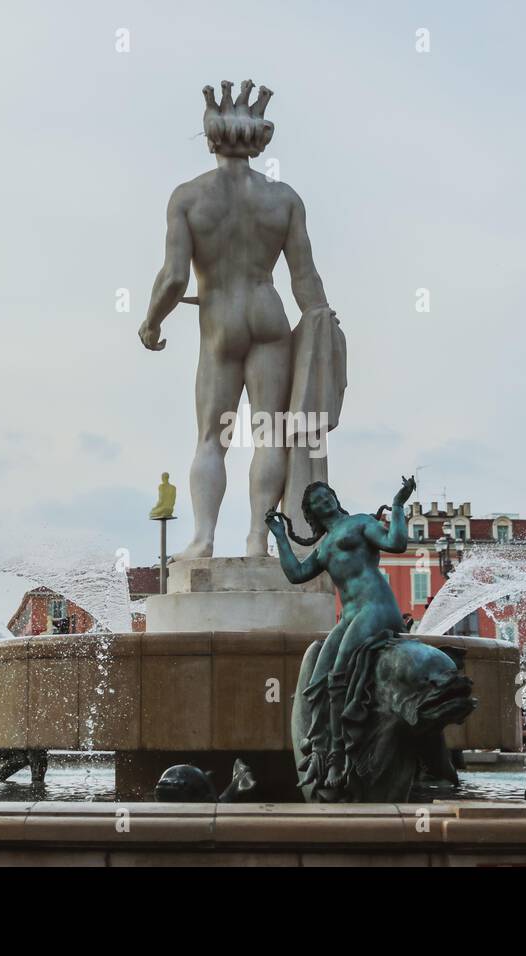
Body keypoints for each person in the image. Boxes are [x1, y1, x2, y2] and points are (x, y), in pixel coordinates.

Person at [139, 80, 340, 559]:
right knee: (270, 433)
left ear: (211, 140)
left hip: (220, 322)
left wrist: (151, 322)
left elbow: (172, 277)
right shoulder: (284, 199)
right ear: (259, 141)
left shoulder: (188, 198)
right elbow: (305, 279)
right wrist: (323, 330)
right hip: (268, 315)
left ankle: (203, 540)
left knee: (212, 437)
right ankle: (257, 541)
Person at [266, 476, 414, 793]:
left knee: (337, 676)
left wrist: (399, 506)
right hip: (350, 616)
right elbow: (296, 574)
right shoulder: (324, 548)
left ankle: (338, 756)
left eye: (326, 495)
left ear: (335, 497)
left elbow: (396, 543)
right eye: (316, 501)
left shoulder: (361, 523)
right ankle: (318, 748)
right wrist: (279, 536)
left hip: (376, 606)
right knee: (318, 681)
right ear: (312, 514)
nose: (323, 501)